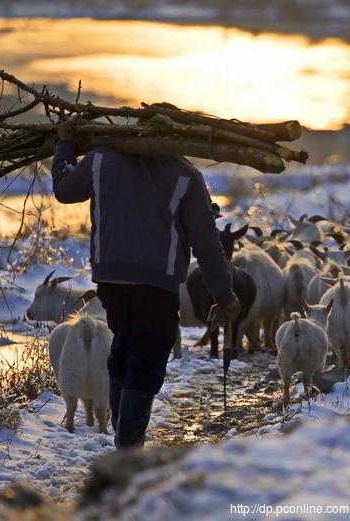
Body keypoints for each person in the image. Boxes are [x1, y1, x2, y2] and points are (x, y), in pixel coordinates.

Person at [50, 118, 240, 448]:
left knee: (122, 352)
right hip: (157, 286)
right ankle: (129, 446)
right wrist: (225, 296)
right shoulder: (185, 175)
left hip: (112, 280)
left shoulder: (100, 159)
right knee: (145, 361)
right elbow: (207, 243)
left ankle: (125, 439)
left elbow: (64, 189)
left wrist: (65, 144)